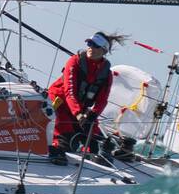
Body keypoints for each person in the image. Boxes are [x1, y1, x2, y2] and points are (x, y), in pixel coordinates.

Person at [46, 31, 124, 165]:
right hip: (60, 104)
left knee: (96, 142)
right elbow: (69, 92)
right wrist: (78, 114)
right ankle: (56, 150)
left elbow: (102, 100)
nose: (90, 47)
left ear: (104, 50)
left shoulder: (106, 74)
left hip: (80, 108)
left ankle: (95, 157)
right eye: (89, 43)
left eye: (95, 45)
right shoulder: (74, 61)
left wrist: (93, 115)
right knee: (67, 140)